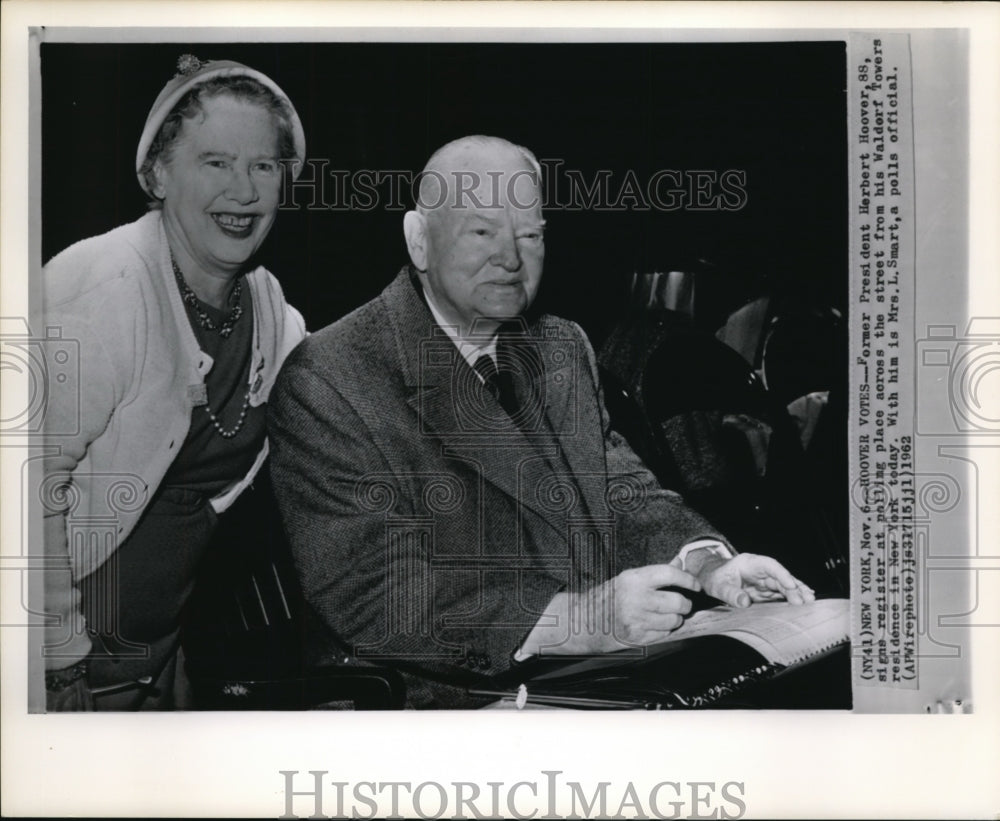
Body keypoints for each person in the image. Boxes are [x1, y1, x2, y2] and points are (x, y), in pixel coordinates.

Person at [268, 135, 813, 708]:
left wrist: (707, 566)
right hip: (432, 704)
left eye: (530, 235)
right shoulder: (328, 377)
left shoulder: (559, 345)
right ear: (419, 241)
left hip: (584, 679)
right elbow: (380, 593)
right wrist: (578, 619)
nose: (511, 258)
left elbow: (622, 493)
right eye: (482, 231)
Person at [40, 55, 307, 710]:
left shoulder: (269, 309)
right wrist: (55, 656)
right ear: (158, 173)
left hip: (154, 668)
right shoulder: (107, 285)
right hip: (54, 675)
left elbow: (344, 408)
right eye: (216, 162)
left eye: (263, 166)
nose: (243, 191)